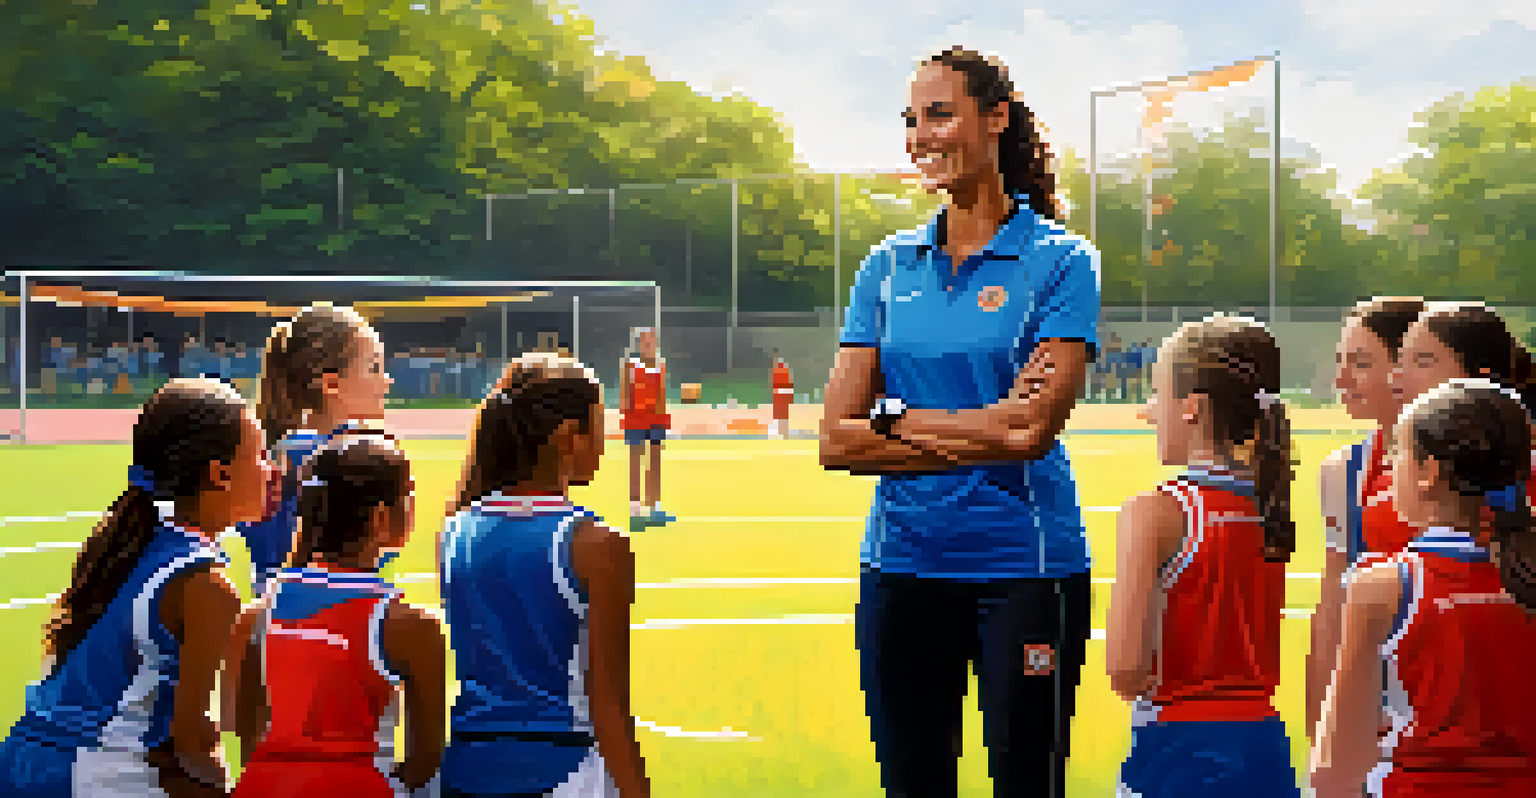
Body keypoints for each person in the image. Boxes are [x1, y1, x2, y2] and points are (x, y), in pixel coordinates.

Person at [820, 46, 1099, 798]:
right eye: (911, 120)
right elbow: (834, 440)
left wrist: (894, 419)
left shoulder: (1062, 262)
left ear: (996, 118)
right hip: (900, 568)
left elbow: (1031, 434)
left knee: (1027, 786)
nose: (922, 136)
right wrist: (987, 427)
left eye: (940, 113)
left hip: (1027, 573)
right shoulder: (886, 265)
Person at [0, 378, 274, 797]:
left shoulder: (131, 539)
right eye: (259, 456)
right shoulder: (206, 584)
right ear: (220, 476)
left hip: (22, 759)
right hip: (95, 775)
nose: (270, 470)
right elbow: (194, 741)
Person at [1309, 379, 1536, 796]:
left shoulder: (1383, 585)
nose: (1390, 466)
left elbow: (1338, 765)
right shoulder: (1523, 569)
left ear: (1429, 472)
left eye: (1397, 451)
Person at [437, 354, 648, 798]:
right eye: (598, 426)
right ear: (569, 437)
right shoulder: (596, 545)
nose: (604, 442)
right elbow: (608, 703)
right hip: (563, 771)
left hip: (465, 768)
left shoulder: (453, 532)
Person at [1108, 316, 1299, 797]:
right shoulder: (1269, 504)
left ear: (1191, 408)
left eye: (1156, 395)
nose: (1147, 413)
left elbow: (1125, 668)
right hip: (1265, 752)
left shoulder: (1156, 513)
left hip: (1179, 752)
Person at [226, 432, 445, 797]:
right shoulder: (409, 624)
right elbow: (424, 762)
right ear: (380, 517)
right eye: (408, 496)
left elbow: (244, 734)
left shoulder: (256, 613)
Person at [1306, 297, 1425, 735]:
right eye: (1341, 361)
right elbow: (1332, 605)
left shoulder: (1497, 466)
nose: (1341, 379)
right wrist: (1322, 725)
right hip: (1381, 712)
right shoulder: (1347, 471)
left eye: (1360, 363)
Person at [240, 303, 394, 597]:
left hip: (272, 624)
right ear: (332, 383)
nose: (386, 381)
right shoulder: (339, 461)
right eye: (374, 367)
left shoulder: (267, 455)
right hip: (329, 620)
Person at [619, 327, 674, 529]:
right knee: (636, 462)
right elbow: (625, 393)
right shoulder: (629, 365)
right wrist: (627, 416)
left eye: (652, 340)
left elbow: (661, 394)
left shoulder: (661, 364)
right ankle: (635, 511)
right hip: (636, 419)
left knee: (655, 462)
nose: (649, 344)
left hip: (656, 419)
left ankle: (655, 508)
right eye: (645, 341)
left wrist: (664, 419)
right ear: (639, 344)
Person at [771, 348, 794, 438]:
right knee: (781, 414)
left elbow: (788, 382)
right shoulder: (781, 368)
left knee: (782, 414)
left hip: (782, 393)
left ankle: (783, 432)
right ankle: (783, 432)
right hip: (781, 393)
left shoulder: (781, 368)